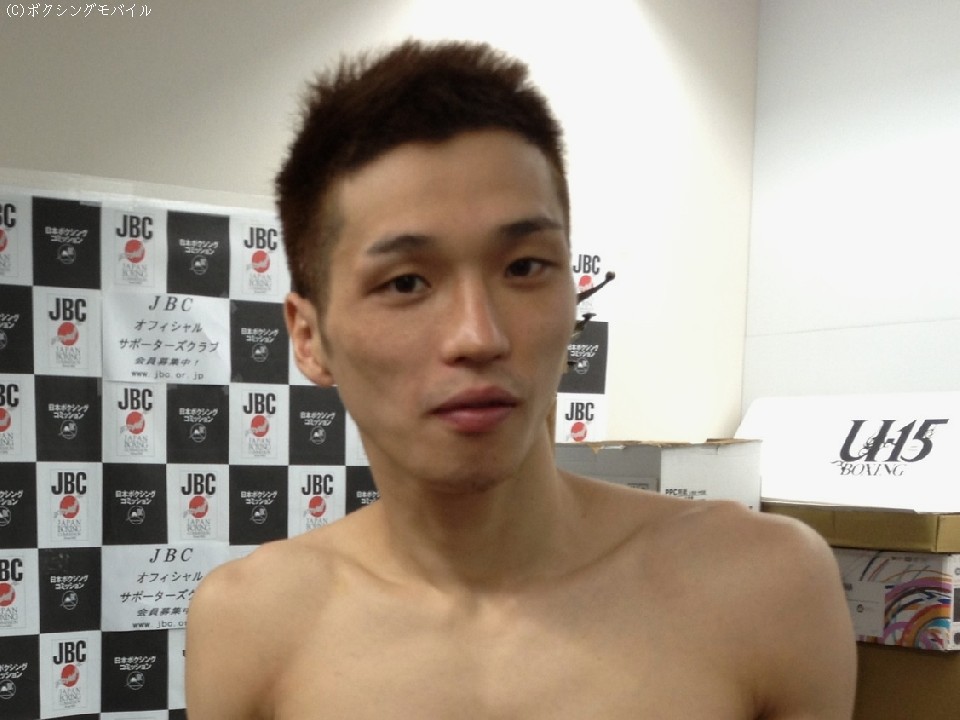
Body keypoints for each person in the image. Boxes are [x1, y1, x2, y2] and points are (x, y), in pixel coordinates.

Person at [185, 40, 857, 719]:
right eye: (407, 282)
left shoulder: (764, 587)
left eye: (525, 268)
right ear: (309, 338)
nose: (479, 336)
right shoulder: (250, 625)